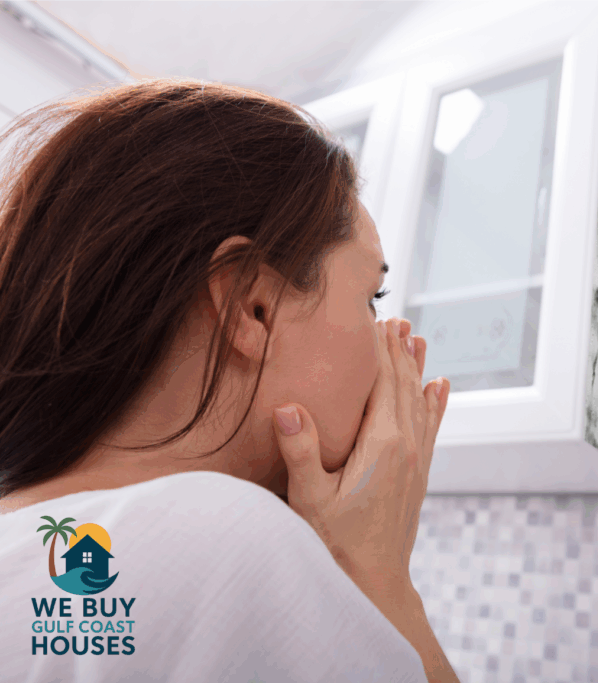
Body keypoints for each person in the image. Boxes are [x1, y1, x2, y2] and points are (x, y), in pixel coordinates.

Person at [0, 77, 460, 682]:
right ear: (252, 306)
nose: (392, 341)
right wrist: (382, 581)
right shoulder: (227, 537)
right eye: (372, 297)